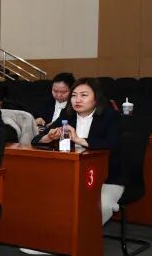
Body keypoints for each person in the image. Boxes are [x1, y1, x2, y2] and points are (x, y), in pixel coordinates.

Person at [32, 78, 123, 226]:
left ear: (97, 98)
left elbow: (112, 143)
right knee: (49, 199)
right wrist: (48, 137)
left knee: (100, 206)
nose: (77, 100)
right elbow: (35, 140)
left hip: (108, 177)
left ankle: (82, 237)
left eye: (84, 95)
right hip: (72, 175)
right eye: (74, 95)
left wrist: (78, 140)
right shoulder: (67, 115)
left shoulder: (110, 116)